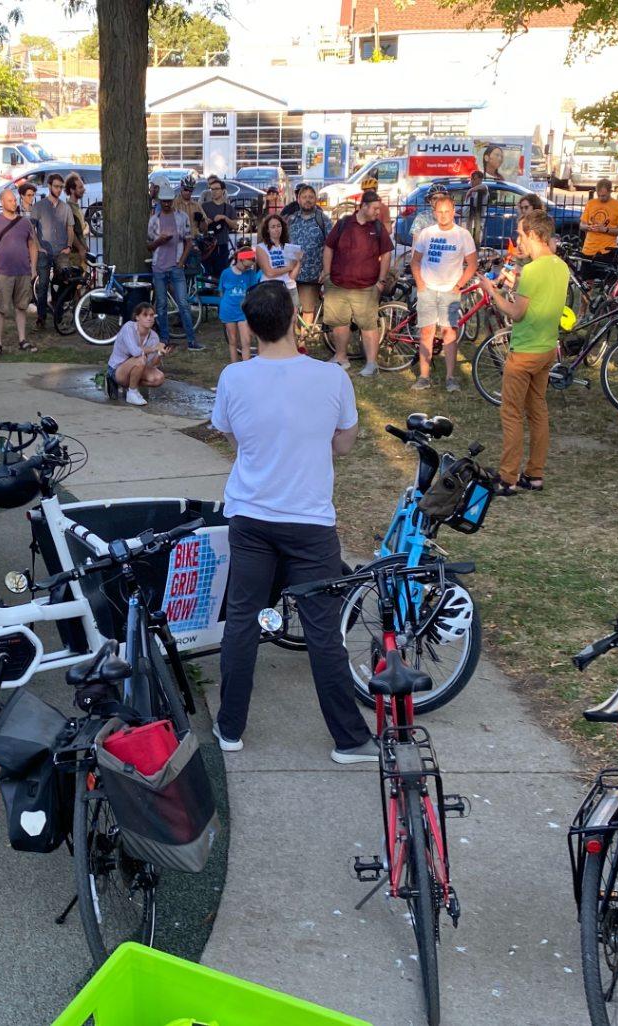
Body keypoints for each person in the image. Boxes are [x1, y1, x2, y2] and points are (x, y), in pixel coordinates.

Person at [211, 281, 373, 763]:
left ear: (252, 326)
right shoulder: (332, 377)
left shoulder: (234, 377)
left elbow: (229, 432)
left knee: (242, 621)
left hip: (250, 514)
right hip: (309, 522)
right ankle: (349, 739)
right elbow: (344, 444)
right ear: (292, 320)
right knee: (323, 632)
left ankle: (230, 727)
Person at [475, 209, 569, 496]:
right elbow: (538, 300)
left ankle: (508, 478)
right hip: (547, 350)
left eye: (520, 234)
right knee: (537, 410)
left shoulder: (532, 269)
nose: (518, 240)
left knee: (512, 413)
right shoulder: (560, 266)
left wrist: (491, 291)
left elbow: (516, 313)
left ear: (532, 234)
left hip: (525, 351)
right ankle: (534, 474)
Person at [411, 191, 479, 391]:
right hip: (428, 288)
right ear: (434, 212)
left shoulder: (462, 235)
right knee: (426, 332)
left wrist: (459, 285)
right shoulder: (427, 233)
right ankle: (424, 376)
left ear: (454, 212)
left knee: (449, 333)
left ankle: (450, 377)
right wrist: (420, 284)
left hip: (450, 290)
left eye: (447, 211)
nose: (443, 215)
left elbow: (472, 264)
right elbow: (415, 261)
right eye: (439, 211)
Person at [322, 190, 393, 377]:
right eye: (375, 208)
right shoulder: (344, 223)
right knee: (339, 323)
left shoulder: (377, 228)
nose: (379, 212)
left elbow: (386, 254)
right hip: (338, 284)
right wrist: (328, 274)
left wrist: (381, 281)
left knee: (369, 325)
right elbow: (329, 247)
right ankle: (341, 358)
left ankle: (371, 364)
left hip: (366, 287)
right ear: (363, 207)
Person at [0, 186, 39, 358]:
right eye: (10, 200)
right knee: (0, 308)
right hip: (2, 272)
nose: (13, 203)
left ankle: (22, 339)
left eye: (14, 200)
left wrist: (33, 267)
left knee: (21, 306)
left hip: (22, 271)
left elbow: (32, 245)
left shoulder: (24, 222)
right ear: (2, 202)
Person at [146, 184, 199, 350]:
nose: (167, 204)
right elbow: (149, 245)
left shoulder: (181, 217)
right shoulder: (154, 219)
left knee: (183, 303)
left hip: (176, 265)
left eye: (169, 201)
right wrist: (159, 241)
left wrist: (182, 261)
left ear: (172, 201)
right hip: (159, 266)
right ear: (160, 201)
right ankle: (164, 339)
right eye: (164, 202)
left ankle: (191, 340)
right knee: (161, 304)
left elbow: (189, 241)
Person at [282, 184, 335, 330]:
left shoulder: (323, 220)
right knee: (290, 308)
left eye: (311, 197)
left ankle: (303, 340)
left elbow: (331, 246)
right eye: (304, 197)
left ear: (315, 199)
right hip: (291, 273)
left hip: (312, 274)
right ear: (298, 199)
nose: (308, 200)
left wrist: (326, 269)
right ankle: (292, 337)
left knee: (307, 309)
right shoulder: (290, 220)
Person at [32, 174, 77, 329]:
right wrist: (38, 246)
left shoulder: (65, 208)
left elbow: (70, 229)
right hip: (44, 250)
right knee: (43, 284)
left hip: (61, 251)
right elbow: (31, 229)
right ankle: (41, 317)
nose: (59, 190)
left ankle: (58, 312)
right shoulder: (39, 206)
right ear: (50, 186)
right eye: (56, 186)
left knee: (65, 279)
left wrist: (69, 246)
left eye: (61, 187)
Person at [106, 302, 166, 406]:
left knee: (159, 378)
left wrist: (160, 353)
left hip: (137, 367)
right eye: (145, 315)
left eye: (152, 315)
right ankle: (132, 392)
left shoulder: (154, 336)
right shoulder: (128, 327)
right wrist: (153, 348)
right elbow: (135, 352)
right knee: (140, 359)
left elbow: (152, 364)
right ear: (137, 317)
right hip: (117, 368)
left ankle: (130, 387)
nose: (149, 318)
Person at [219, 248, 263, 363]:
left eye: (249, 267)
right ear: (240, 259)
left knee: (246, 341)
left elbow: (253, 291)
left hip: (243, 311)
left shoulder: (250, 274)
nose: (247, 269)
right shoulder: (226, 273)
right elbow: (221, 291)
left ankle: (246, 367)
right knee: (232, 341)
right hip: (228, 310)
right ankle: (234, 367)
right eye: (246, 266)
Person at [579, 179, 618, 270]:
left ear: (610, 192)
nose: (601, 198)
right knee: (586, 281)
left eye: (604, 196)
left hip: (607, 250)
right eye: (599, 195)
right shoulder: (590, 204)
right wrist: (588, 227)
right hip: (589, 249)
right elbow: (582, 225)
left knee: (605, 280)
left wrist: (605, 229)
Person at [254, 214, 301, 300]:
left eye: (279, 226)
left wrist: (298, 262)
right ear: (267, 230)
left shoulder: (288, 247)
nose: (276, 229)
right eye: (273, 227)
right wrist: (289, 267)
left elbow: (292, 276)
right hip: (270, 288)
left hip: (290, 288)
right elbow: (269, 273)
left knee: (292, 313)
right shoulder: (261, 247)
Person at [198, 178, 236, 278]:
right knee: (206, 276)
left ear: (223, 191)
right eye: (211, 189)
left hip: (222, 245)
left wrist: (224, 218)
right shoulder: (204, 206)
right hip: (207, 246)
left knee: (221, 275)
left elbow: (235, 226)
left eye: (216, 189)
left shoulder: (229, 208)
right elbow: (201, 229)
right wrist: (205, 222)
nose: (213, 192)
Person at [463, 170, 491, 249]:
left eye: (474, 179)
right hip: (467, 220)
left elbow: (484, 187)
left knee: (474, 243)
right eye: (471, 179)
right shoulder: (473, 188)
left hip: (477, 221)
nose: (472, 181)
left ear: (480, 179)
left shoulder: (482, 188)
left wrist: (470, 190)